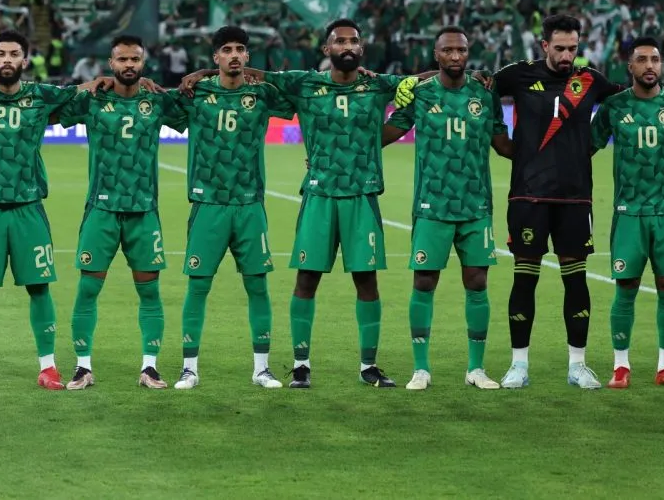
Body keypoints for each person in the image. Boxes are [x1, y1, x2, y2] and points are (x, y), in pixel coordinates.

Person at [463, 14, 664, 389]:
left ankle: (577, 365)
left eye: (572, 48)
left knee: (576, 284)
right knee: (524, 282)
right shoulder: (517, 74)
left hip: (575, 199)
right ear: (544, 46)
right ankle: (518, 366)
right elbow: (479, 88)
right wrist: (502, 139)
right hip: (528, 195)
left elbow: (638, 94)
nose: (565, 55)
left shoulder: (589, 80)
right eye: (558, 48)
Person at [185, 19, 409, 388]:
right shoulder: (304, 83)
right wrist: (203, 72)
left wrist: (378, 140)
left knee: (367, 282)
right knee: (306, 280)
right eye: (340, 41)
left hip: (362, 196)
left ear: (362, 48)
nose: (348, 46)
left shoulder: (378, 85)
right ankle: (301, 365)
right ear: (327, 50)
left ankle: (368, 366)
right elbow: (248, 71)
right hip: (319, 195)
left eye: (354, 41)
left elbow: (423, 86)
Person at [382, 27, 514, 390]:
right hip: (432, 205)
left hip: (475, 205)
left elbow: (502, 144)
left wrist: (545, 156)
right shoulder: (420, 94)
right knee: (424, 281)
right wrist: (337, 152)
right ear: (436, 54)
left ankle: (476, 369)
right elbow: (390, 133)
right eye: (448, 51)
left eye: (461, 50)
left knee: (477, 282)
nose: (455, 56)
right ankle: (421, 369)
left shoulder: (485, 92)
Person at [0, 30, 81, 390]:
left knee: (39, 288)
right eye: (1, 54)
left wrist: (100, 80)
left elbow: (83, 95)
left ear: (25, 60)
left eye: (14, 54)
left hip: (28, 208)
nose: (7, 60)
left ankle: (48, 367)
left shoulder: (40, 96)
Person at [57, 35, 186, 389]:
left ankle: (150, 367)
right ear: (110, 63)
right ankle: (83, 367)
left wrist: (195, 75)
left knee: (149, 293)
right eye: (122, 60)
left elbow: (198, 103)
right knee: (87, 290)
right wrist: (85, 85)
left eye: (135, 60)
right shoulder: (94, 99)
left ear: (143, 64)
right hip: (101, 210)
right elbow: (50, 106)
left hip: (143, 212)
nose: (129, 65)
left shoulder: (156, 101)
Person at [170, 26, 293, 391]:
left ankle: (262, 368)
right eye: (227, 50)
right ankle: (189, 368)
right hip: (208, 205)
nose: (235, 55)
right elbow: (158, 106)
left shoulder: (263, 94)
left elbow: (304, 98)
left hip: (249, 205)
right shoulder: (196, 94)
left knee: (258, 287)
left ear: (249, 57)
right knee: (198, 287)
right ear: (216, 57)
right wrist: (201, 77)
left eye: (241, 49)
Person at [589, 37, 664, 389]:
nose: (649, 66)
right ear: (630, 66)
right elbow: (585, 148)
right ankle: (621, 366)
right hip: (628, 212)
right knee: (625, 287)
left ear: (662, 65)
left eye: (655, 59)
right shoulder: (613, 107)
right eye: (641, 59)